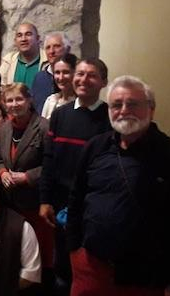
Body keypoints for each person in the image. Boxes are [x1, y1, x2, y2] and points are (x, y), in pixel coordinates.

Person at [67, 76, 170, 296]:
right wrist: (75, 249)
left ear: (151, 109)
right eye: (116, 105)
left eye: (132, 104)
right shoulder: (95, 147)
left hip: (146, 278)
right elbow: (76, 199)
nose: (124, 110)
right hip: (91, 268)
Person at [39, 58, 112, 294]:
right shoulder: (60, 115)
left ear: (103, 82)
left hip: (93, 204)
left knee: (89, 264)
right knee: (62, 263)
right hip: (60, 200)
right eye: (79, 74)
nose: (83, 80)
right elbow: (49, 160)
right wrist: (45, 200)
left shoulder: (110, 118)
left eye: (91, 75)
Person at [0, 83, 53, 291]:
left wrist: (28, 177)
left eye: (19, 99)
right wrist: (1, 173)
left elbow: (53, 165)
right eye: (9, 100)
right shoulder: (4, 128)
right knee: (16, 249)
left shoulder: (45, 127)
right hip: (11, 202)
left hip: (35, 202)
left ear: (29, 101)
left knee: (38, 254)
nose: (14, 104)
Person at [0, 23, 48, 88]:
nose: (23, 39)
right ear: (15, 41)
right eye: (19, 35)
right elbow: (2, 90)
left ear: (37, 38)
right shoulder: (8, 62)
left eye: (28, 34)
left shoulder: (49, 61)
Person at [32, 32, 71, 112]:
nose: (51, 51)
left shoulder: (75, 77)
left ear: (67, 49)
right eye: (48, 47)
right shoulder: (39, 78)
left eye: (56, 46)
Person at [41, 53, 78, 120]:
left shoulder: (81, 103)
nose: (61, 78)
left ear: (75, 73)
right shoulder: (50, 101)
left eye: (66, 72)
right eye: (57, 72)